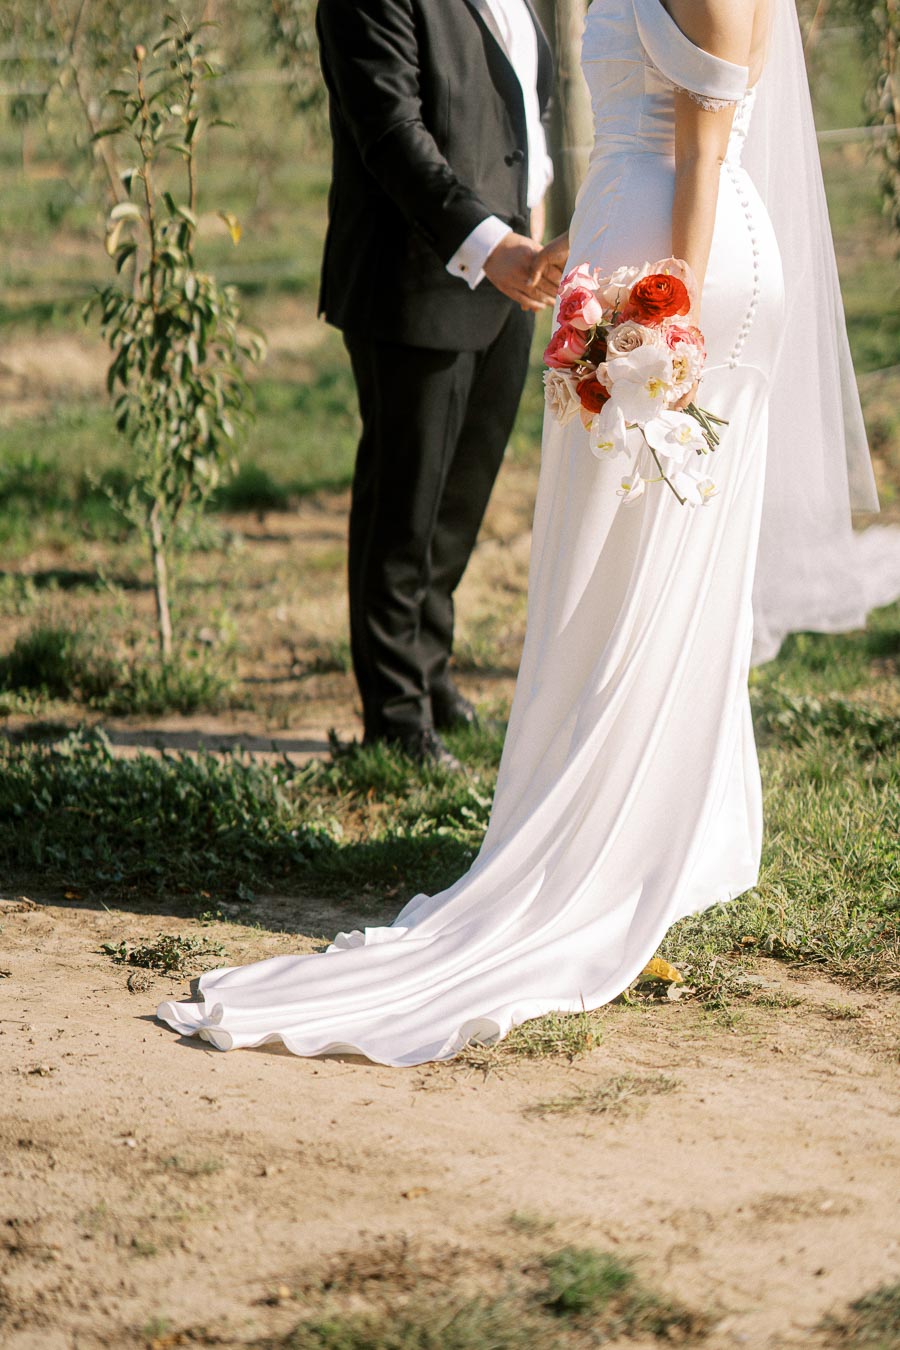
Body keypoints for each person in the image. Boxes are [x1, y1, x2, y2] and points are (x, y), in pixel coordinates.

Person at [158, 0, 897, 1066]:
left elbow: (703, 140)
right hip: (631, 264)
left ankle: (629, 850)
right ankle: (618, 832)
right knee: (611, 576)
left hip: (673, 280)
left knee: (636, 574)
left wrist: (666, 313)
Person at [315, 0, 560, 768]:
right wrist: (494, 247)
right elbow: (391, 133)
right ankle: (393, 717)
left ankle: (430, 676)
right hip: (415, 285)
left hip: (513, 282)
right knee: (405, 503)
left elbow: (529, 107)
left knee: (458, 503)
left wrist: (532, 233)